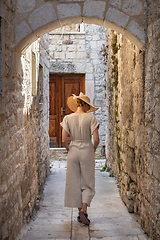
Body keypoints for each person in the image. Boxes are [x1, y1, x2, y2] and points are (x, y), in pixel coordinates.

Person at [60, 92, 100, 225]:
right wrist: (93, 148)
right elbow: (96, 139)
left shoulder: (67, 118)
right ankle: (83, 209)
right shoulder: (91, 119)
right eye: (88, 106)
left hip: (74, 150)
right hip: (87, 150)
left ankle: (80, 213)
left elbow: (64, 139)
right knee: (87, 181)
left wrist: (68, 149)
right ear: (85, 105)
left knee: (74, 182)